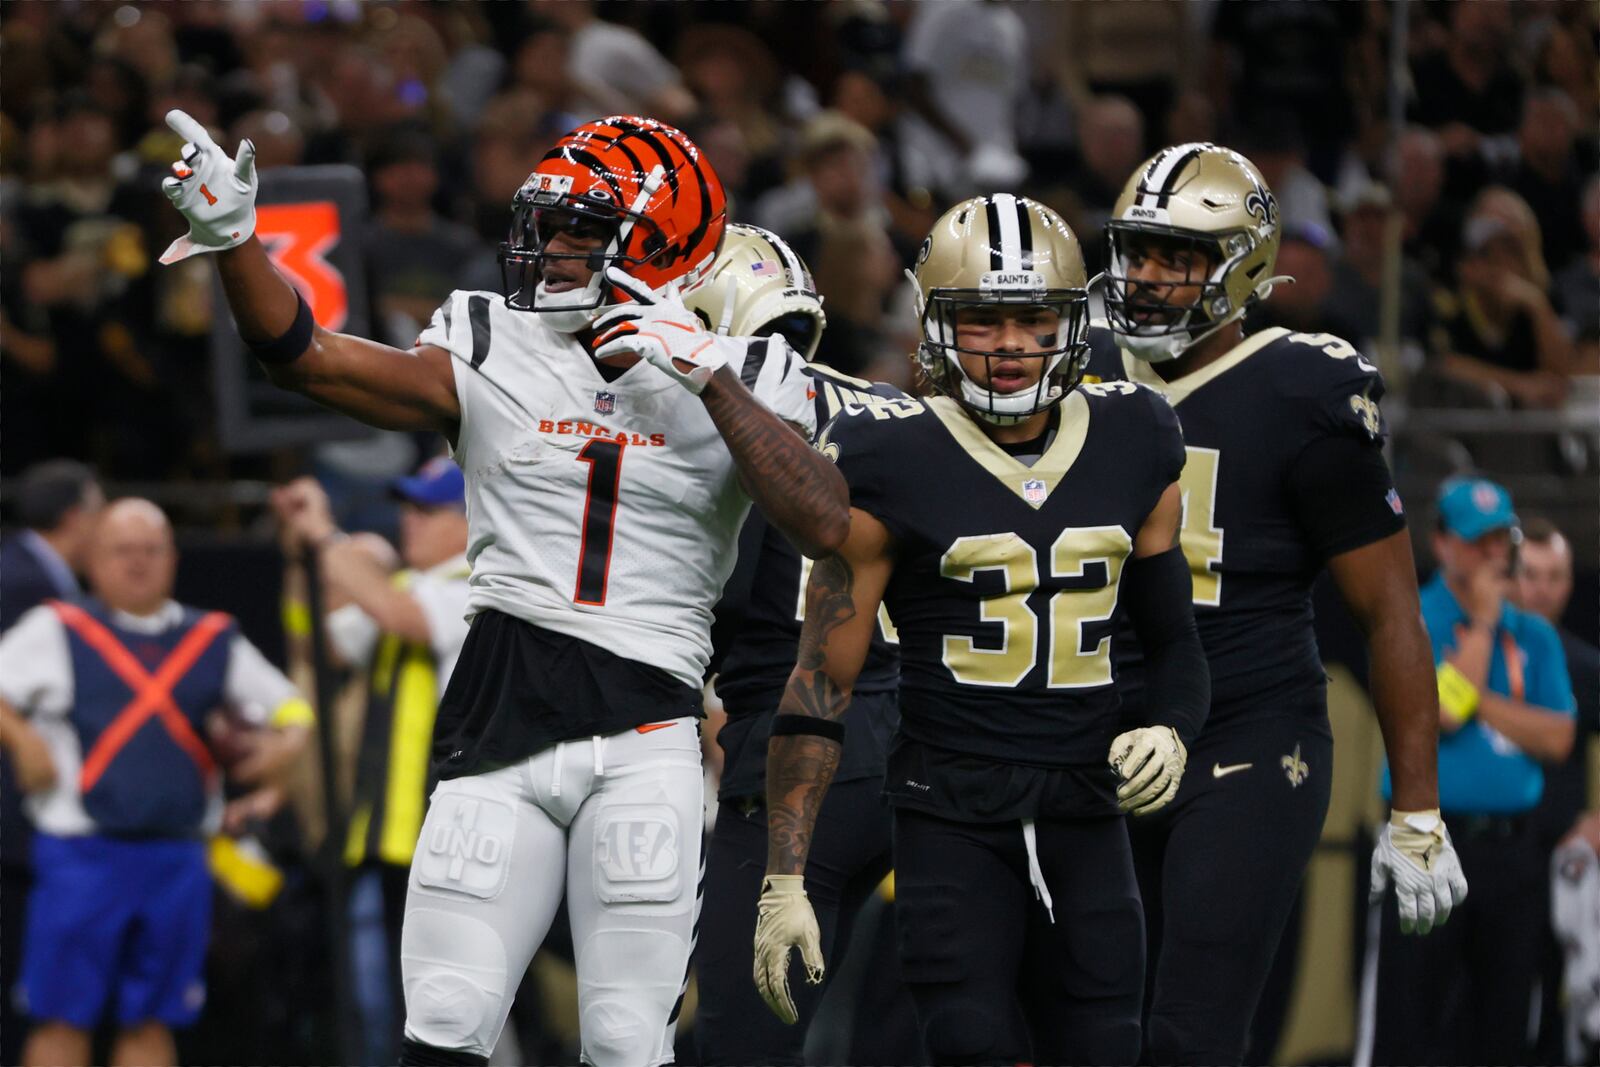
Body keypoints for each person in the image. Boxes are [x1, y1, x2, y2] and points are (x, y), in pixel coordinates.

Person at [157, 109, 848, 1067]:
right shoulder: (489, 340)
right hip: (498, 717)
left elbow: (823, 517)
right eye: (548, 222)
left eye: (580, 231)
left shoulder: (751, 369)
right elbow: (307, 355)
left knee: (623, 1036)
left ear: (657, 243)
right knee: (444, 1018)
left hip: (647, 730)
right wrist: (238, 248)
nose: (551, 249)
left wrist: (703, 373)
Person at [754, 195, 1211, 1065]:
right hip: (950, 821)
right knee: (970, 1045)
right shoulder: (891, 453)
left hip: (1087, 812)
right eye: (982, 320)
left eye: (1034, 319)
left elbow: (1175, 640)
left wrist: (1171, 726)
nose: (1009, 344)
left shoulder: (1137, 433)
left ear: (1072, 322)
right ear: (935, 327)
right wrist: (786, 875)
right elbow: (821, 683)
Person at [1087, 142, 1467, 1066]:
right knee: (1084, 1029)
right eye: (1137, 251)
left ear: (1241, 266)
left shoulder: (1303, 390)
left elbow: (1391, 613)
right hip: (1095, 724)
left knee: (1190, 1034)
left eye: (1176, 257)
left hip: (1247, 729)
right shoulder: (1078, 368)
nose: (1145, 277)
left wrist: (1417, 807)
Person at [686, 224, 908, 1065]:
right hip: (925, 746)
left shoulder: (717, 429)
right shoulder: (883, 405)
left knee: (744, 1049)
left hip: (794, 767)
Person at [0, 499, 312, 1067]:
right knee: (61, 1018)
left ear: (173, 558)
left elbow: (291, 709)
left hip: (178, 858)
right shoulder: (57, 628)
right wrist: (23, 743)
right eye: (122, 550)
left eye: (152, 550)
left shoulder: (213, 637)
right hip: (81, 855)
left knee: (153, 1020)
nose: (138, 563)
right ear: (93, 559)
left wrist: (281, 754)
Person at [1364, 478, 1575, 1066]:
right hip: (1431, 839)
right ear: (1443, 545)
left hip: (1512, 851)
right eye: (1476, 541)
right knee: (1410, 1020)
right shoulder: (1411, 615)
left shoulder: (1534, 632)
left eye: (1498, 540)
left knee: (1503, 1023)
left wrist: (1480, 696)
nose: (1491, 555)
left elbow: (1558, 736)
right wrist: (1481, 626)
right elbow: (1444, 716)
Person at [273, 459, 472, 1067]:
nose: (408, 523)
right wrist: (297, 559)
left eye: (426, 511)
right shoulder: (414, 588)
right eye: (406, 509)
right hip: (395, 831)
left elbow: (396, 617)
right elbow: (322, 642)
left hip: (455, 831)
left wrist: (325, 538)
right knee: (396, 1002)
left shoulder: (480, 583)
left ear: (473, 519)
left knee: (456, 1001)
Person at [0, 459, 101, 1067]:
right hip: (14, 821)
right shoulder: (21, 581)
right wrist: (20, 738)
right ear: (73, 518)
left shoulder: (34, 573)